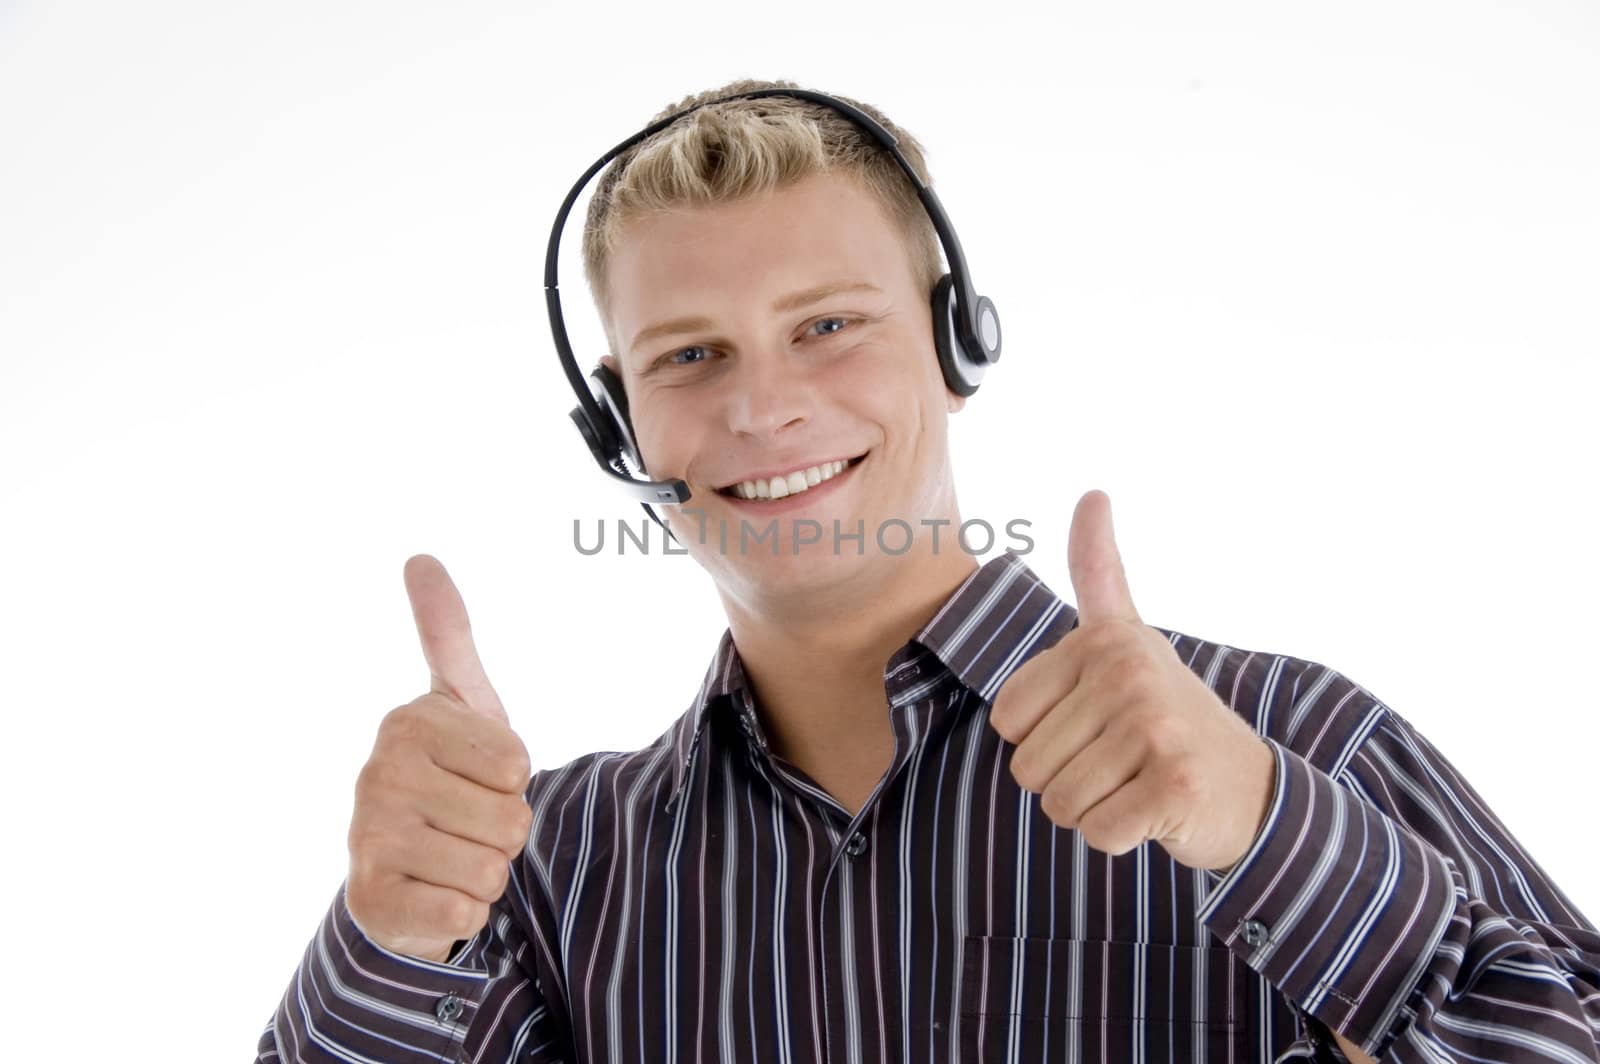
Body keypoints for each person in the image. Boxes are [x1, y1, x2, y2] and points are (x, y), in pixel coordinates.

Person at [257, 79, 1600, 1063]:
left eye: (829, 324)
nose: (764, 407)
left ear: (957, 344)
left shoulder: (1288, 736)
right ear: (621, 427)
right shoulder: (548, 870)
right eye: (690, 355)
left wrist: (1264, 828)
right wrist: (384, 933)